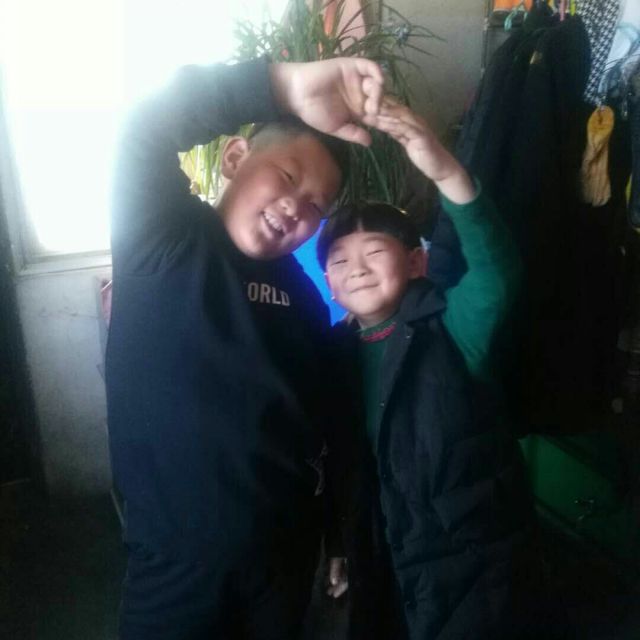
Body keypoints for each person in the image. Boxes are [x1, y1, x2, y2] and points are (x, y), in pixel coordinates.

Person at [105, 56, 385, 640]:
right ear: (235, 158)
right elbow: (142, 129)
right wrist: (282, 86)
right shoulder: (162, 239)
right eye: (287, 176)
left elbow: (329, 422)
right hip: (175, 566)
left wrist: (337, 534)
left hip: (283, 565)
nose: (297, 206)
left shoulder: (307, 300)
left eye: (316, 205)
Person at [318, 100, 535, 639]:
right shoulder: (332, 355)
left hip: (473, 571)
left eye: (374, 251)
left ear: (416, 262)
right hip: (382, 562)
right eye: (339, 261)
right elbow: (339, 464)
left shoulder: (453, 328)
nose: (356, 269)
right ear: (330, 284)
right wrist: (338, 544)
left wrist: (445, 172)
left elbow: (497, 272)